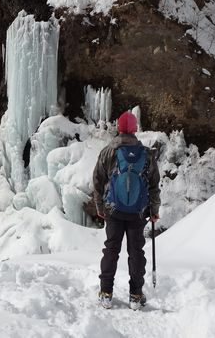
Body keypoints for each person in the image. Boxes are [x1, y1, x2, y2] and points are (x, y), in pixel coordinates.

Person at [93, 111, 160, 310]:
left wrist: (100, 206)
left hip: (113, 210)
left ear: (119, 128)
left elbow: (97, 180)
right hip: (138, 212)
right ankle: (136, 295)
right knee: (136, 252)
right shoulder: (147, 154)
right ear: (135, 129)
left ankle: (106, 293)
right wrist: (154, 209)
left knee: (111, 250)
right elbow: (154, 184)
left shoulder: (108, 151)